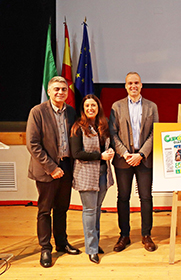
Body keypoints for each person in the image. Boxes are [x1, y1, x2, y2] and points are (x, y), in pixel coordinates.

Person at [26, 76, 81, 268]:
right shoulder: (37, 112)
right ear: (49, 91)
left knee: (62, 208)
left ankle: (61, 242)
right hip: (46, 169)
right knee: (44, 210)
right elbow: (32, 144)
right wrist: (51, 168)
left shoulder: (72, 111)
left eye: (63, 89)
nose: (60, 92)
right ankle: (45, 248)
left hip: (66, 167)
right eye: (56, 89)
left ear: (67, 92)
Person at [109, 72, 159, 252]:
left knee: (146, 198)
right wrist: (125, 153)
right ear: (125, 86)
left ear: (141, 85)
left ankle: (146, 235)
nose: (133, 86)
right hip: (124, 160)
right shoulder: (117, 106)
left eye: (136, 83)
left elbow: (155, 133)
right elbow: (112, 133)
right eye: (130, 83)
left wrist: (142, 154)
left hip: (144, 160)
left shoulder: (151, 106)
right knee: (123, 198)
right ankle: (124, 235)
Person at [70, 94, 115, 264]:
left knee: (97, 210)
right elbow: (77, 154)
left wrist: (109, 153)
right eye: (87, 106)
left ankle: (94, 243)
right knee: (89, 211)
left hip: (103, 174)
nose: (90, 109)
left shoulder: (103, 125)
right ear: (83, 109)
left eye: (93, 106)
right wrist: (100, 156)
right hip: (86, 175)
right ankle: (91, 249)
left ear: (98, 108)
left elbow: (106, 147)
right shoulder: (77, 128)